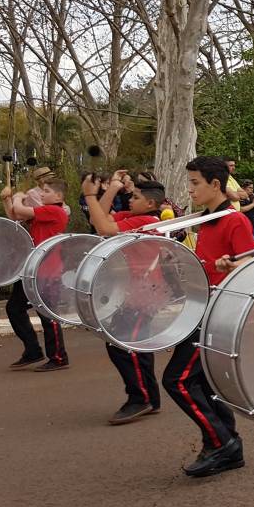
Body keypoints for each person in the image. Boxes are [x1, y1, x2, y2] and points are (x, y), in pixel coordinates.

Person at [163, 156, 254, 477]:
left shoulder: (234, 220)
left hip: (217, 312)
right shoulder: (206, 219)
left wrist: (232, 265)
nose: (190, 189)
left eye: (195, 183)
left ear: (215, 184)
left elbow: (251, 263)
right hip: (202, 308)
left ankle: (222, 443)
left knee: (178, 380)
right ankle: (226, 443)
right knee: (202, 382)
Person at [81, 174, 167, 423]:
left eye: (135, 197)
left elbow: (103, 229)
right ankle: (149, 398)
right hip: (132, 294)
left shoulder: (147, 221)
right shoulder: (133, 216)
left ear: (150, 203)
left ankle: (141, 398)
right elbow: (97, 218)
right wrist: (111, 189)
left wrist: (89, 194)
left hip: (143, 296)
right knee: (135, 346)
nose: (130, 199)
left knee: (122, 346)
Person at [1, 178, 69, 371]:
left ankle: (59, 357)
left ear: (58, 196)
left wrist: (18, 197)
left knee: (47, 315)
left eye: (46, 191)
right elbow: (15, 215)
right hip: (31, 269)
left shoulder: (55, 210)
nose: (41, 194)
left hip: (48, 271)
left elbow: (20, 209)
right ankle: (32, 350)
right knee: (14, 308)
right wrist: (7, 199)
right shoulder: (43, 211)